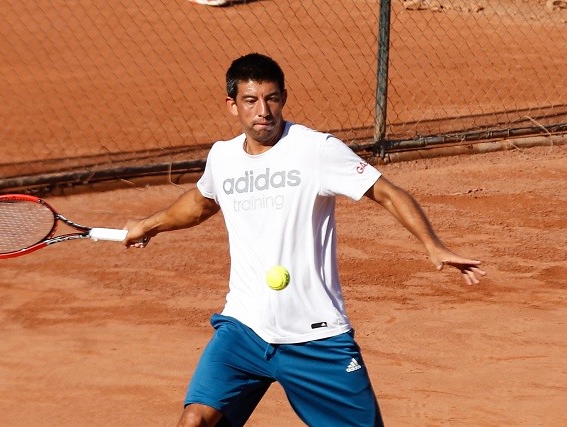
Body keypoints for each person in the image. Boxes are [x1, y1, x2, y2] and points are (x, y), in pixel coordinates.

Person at [123, 53, 486, 426]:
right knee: (195, 420)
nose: (263, 110)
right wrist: (149, 225)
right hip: (244, 329)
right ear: (232, 106)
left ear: (283, 97)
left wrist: (432, 244)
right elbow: (201, 203)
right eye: (251, 101)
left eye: (272, 98)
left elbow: (387, 192)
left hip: (317, 338)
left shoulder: (315, 149)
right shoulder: (223, 157)